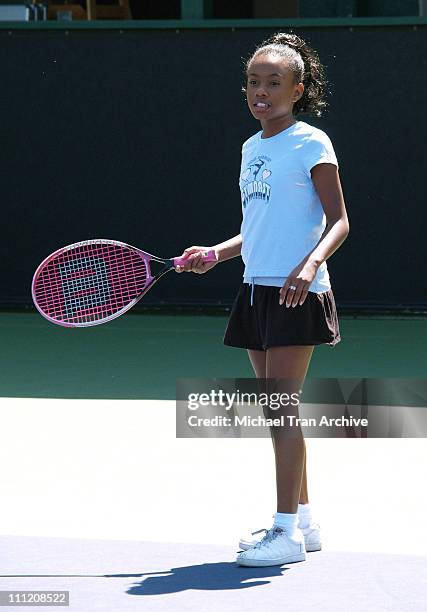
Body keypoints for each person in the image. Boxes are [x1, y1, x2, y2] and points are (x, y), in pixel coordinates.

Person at [176, 32, 349, 567]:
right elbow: (256, 229)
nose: (261, 91)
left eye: (274, 83)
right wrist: (216, 253)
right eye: (254, 81)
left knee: (280, 413)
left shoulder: (312, 143)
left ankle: (285, 534)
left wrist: (311, 264)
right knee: (279, 411)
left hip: (298, 294)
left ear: (298, 89)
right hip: (255, 291)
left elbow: (340, 221)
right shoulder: (252, 148)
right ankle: (304, 521)